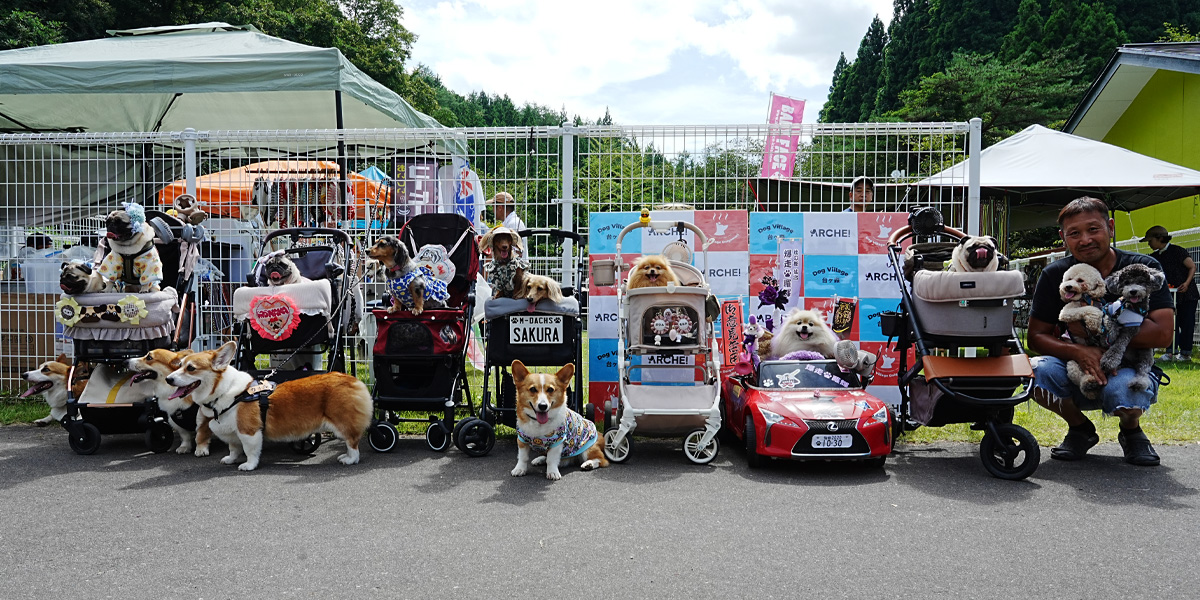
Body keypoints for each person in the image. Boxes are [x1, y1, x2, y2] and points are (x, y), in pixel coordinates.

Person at [1027, 197, 1174, 466]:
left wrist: (1095, 333)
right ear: (1063, 237)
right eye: (1074, 233)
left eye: (1093, 229)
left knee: (1127, 389)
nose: (1085, 240)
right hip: (1076, 367)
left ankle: (1131, 431)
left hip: (1128, 365)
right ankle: (1080, 429)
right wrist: (1079, 351)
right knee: (1035, 371)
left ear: (1111, 227)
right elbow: (1036, 337)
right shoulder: (1055, 275)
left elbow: (1163, 335)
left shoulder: (1142, 268)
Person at [1143, 225, 1197, 362]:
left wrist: (1186, 283)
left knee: (1187, 323)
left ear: (1160, 238)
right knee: (1171, 323)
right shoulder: (1154, 257)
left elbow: (1192, 266)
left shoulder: (1178, 251)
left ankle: (1185, 353)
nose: (1149, 244)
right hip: (1169, 295)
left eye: (1150, 241)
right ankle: (1170, 352)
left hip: (1187, 294)